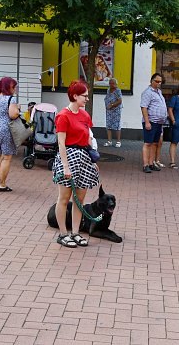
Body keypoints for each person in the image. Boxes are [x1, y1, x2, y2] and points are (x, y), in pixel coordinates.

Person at [53, 80, 99, 248]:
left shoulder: (85, 116)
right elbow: (61, 143)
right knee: (64, 198)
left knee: (79, 199)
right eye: (84, 96)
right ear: (75, 96)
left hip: (84, 157)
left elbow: (88, 139)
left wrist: (93, 161)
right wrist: (65, 166)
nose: (87, 99)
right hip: (69, 157)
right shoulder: (63, 116)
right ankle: (63, 234)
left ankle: (76, 232)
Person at [140, 73, 168, 173]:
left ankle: (151, 163)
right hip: (151, 121)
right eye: (156, 81)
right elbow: (144, 107)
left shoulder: (159, 92)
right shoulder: (147, 92)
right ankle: (145, 164)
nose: (158, 83)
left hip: (158, 123)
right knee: (148, 143)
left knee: (155, 143)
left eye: (160, 82)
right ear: (151, 81)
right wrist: (147, 122)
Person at [103, 78, 123, 148]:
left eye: (112, 83)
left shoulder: (118, 91)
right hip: (109, 111)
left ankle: (118, 141)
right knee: (108, 125)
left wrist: (111, 105)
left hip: (116, 110)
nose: (111, 84)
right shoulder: (108, 90)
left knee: (117, 125)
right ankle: (109, 141)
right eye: (110, 83)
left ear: (116, 84)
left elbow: (120, 101)